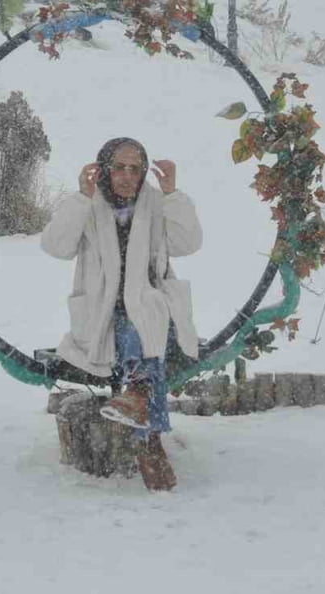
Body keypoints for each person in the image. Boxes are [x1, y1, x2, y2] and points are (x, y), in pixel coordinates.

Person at [40, 137, 202, 491]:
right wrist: (81, 198)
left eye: (135, 168)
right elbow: (56, 246)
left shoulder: (156, 204)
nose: (128, 176)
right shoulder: (89, 206)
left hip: (154, 308)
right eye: (119, 167)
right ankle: (149, 430)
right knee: (136, 332)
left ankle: (140, 402)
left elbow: (188, 243)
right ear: (103, 169)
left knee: (143, 321)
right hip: (102, 316)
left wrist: (172, 193)